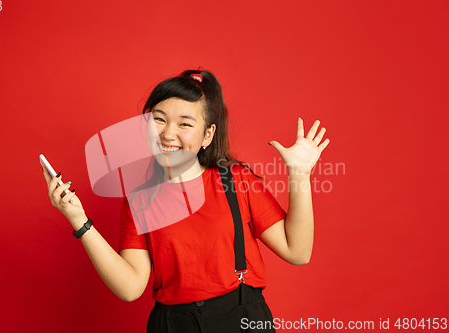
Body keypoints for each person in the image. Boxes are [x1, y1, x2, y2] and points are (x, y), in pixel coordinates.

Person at [42, 69, 330, 332]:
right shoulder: (139, 201)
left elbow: (298, 252)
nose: (168, 133)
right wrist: (79, 220)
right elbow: (130, 287)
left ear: (207, 135)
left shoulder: (237, 181)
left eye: (185, 123)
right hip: (172, 324)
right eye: (159, 119)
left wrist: (299, 174)